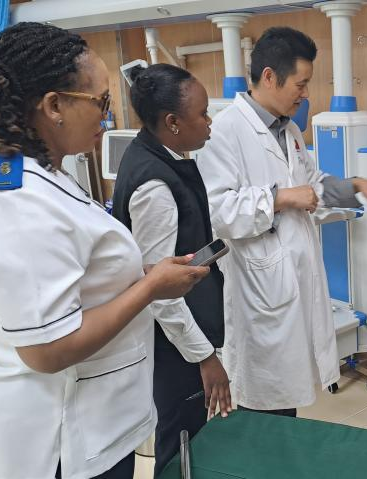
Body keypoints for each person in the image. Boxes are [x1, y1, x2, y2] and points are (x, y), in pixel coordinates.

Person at [0, 22, 209, 479]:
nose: (106, 118)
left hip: (83, 417)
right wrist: (149, 288)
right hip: (56, 439)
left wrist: (140, 275)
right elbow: (47, 350)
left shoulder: (22, 165)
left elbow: (69, 268)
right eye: (100, 102)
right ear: (54, 106)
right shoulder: (19, 203)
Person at [196, 26, 367, 417]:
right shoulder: (224, 132)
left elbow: (311, 183)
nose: (305, 94)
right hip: (257, 287)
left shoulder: (289, 130)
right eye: (300, 84)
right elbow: (219, 211)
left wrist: (353, 185)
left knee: (289, 399)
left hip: (292, 279)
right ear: (269, 77)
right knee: (263, 404)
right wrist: (280, 198)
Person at [111, 63, 231, 476]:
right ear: (172, 122)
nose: (209, 121)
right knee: (180, 441)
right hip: (172, 345)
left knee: (190, 438)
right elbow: (158, 291)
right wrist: (204, 357)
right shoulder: (155, 187)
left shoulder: (158, 156)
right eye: (202, 113)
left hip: (180, 336)